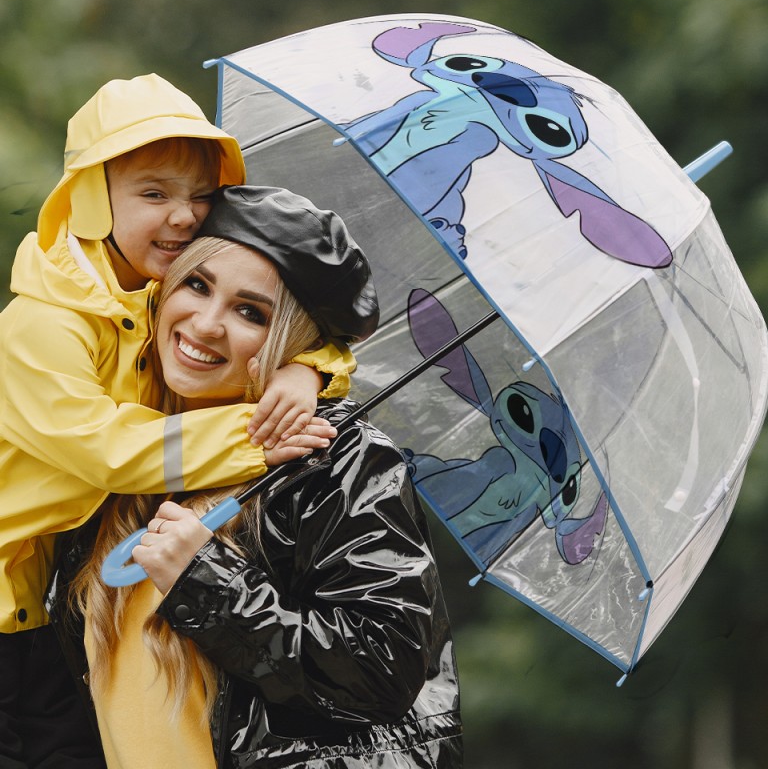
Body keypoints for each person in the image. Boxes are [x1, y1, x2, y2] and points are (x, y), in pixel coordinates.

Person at [0, 77, 354, 767]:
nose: (185, 216)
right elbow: (109, 453)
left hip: (41, 613)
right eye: (154, 194)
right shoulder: (40, 326)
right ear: (91, 199)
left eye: (200, 196)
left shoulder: (153, 286)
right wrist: (264, 436)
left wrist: (307, 370)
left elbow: (271, 317)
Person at [48, 185, 463, 769]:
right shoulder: (114, 440)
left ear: (292, 343)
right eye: (196, 284)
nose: (206, 323)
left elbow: (381, 675)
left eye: (251, 312)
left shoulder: (333, 460)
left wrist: (206, 581)